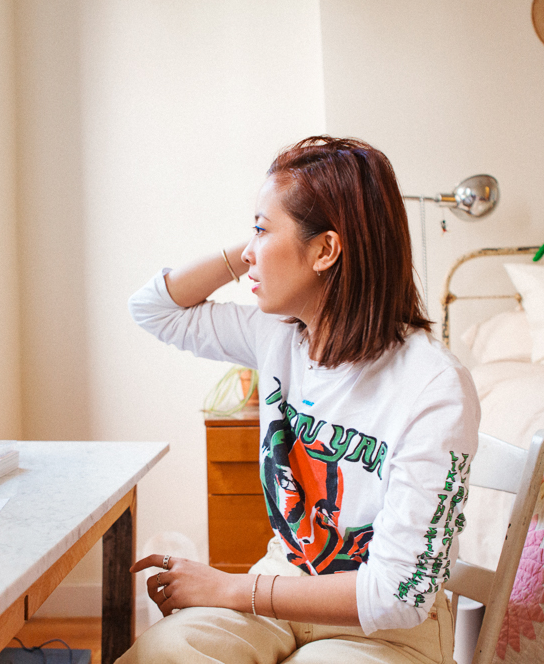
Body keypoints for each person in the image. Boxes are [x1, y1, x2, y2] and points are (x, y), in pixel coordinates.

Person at [123, 136, 480, 663]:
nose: (248, 253)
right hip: (283, 581)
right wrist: (257, 246)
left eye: (261, 230)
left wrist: (229, 588)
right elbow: (154, 309)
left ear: (326, 251)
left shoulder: (433, 386)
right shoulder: (276, 336)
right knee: (165, 652)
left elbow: (399, 596)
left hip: (381, 629)